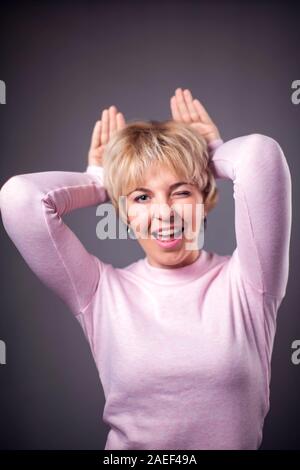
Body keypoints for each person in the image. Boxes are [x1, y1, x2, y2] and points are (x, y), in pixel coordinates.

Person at [0, 88, 292, 450]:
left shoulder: (250, 283)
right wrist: (98, 181)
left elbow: (260, 156)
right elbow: (20, 197)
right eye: (141, 197)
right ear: (122, 212)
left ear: (206, 197)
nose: (165, 213)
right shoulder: (100, 291)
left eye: (181, 191)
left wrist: (211, 152)